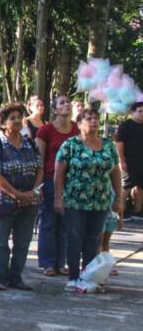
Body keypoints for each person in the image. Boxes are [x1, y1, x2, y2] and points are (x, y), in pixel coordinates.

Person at [55, 108, 122, 291]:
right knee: (75, 238)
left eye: (95, 118)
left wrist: (119, 198)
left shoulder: (108, 145)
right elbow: (59, 173)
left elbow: (116, 173)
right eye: (88, 118)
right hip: (75, 201)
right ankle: (74, 277)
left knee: (94, 240)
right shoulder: (70, 145)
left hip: (100, 201)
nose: (93, 121)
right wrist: (58, 198)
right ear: (79, 124)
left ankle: (89, 276)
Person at [0, 103, 43, 291]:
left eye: (19, 117)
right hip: (4, 201)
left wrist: (33, 192)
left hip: (29, 201)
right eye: (12, 118)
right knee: (2, 242)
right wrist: (17, 194)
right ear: (3, 123)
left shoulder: (30, 143)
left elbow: (40, 168)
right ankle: (0, 278)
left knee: (23, 242)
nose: (18, 120)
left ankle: (16, 277)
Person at [35, 94, 78, 276]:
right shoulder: (45, 131)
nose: (66, 105)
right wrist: (38, 186)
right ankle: (48, 263)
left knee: (67, 224)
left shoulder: (77, 129)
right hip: (51, 180)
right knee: (49, 222)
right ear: (54, 110)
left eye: (68, 102)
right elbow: (39, 160)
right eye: (62, 103)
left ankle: (61, 263)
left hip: (73, 182)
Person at [115, 101, 143, 218]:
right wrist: (121, 161)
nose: (142, 113)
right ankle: (120, 213)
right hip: (129, 161)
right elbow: (119, 144)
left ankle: (138, 212)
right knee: (125, 187)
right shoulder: (125, 125)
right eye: (140, 111)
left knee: (140, 187)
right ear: (133, 112)